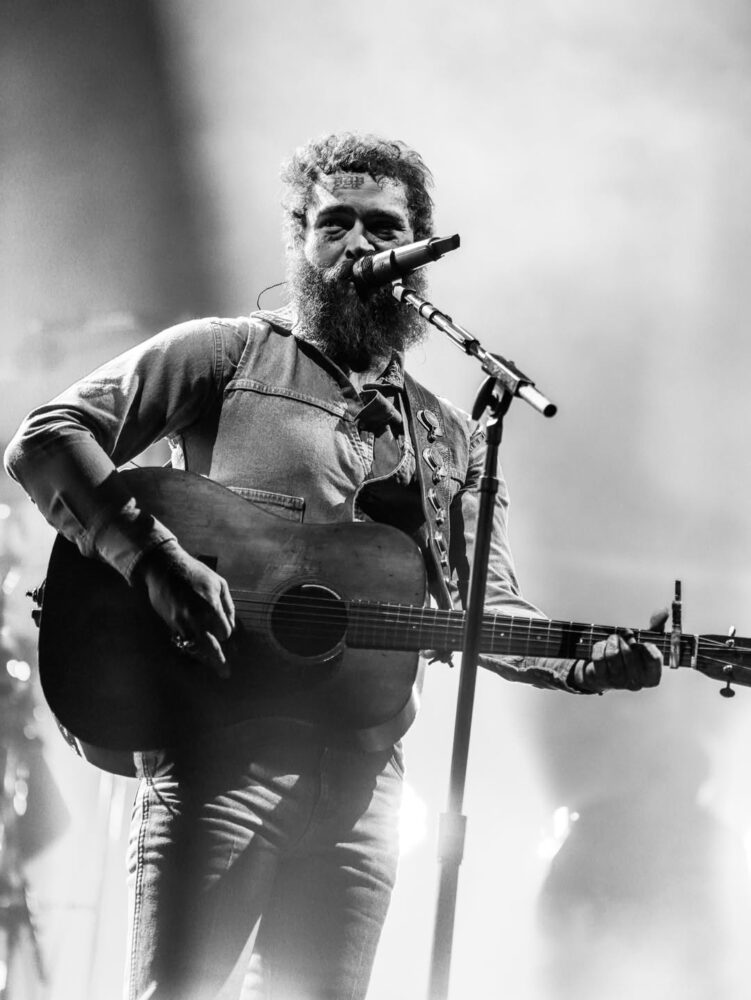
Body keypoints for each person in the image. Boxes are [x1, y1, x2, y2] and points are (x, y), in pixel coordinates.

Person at [4, 132, 662, 1000]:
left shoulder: (450, 437)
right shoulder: (226, 354)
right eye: (334, 224)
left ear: (417, 253)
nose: (358, 244)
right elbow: (49, 438)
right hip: (218, 758)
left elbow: (483, 607)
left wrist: (582, 660)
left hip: (365, 787)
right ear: (301, 242)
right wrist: (156, 559)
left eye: (382, 228)